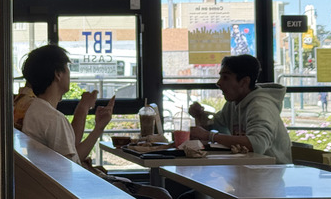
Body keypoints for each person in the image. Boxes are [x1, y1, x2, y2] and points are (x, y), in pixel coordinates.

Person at [17, 45, 172, 199]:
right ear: (58, 74)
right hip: (74, 190)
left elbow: (72, 157)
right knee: (161, 195)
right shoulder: (51, 117)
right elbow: (72, 174)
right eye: (67, 68)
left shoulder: (27, 108)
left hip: (40, 188)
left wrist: (99, 127)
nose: (69, 73)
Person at [188, 54, 292, 164]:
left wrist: (209, 136)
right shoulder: (233, 104)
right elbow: (213, 126)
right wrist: (200, 115)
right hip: (249, 170)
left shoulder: (260, 105)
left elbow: (257, 144)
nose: (219, 83)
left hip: (271, 173)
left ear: (244, 82)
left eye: (225, 78)